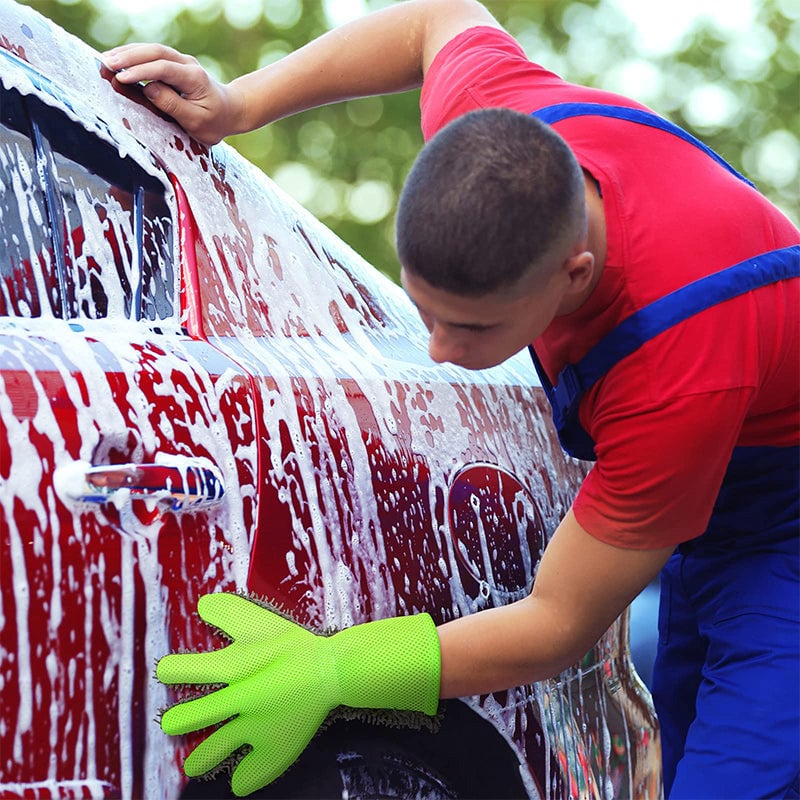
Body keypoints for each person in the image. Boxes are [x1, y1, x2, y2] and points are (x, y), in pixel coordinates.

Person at [104, 1, 800, 797]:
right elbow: (434, 19)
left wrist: (338, 668)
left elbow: (558, 624)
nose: (438, 349)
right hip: (709, 499)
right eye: (424, 309)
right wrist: (238, 104)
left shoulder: (677, 368)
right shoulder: (501, 139)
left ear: (573, 274)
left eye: (470, 326)